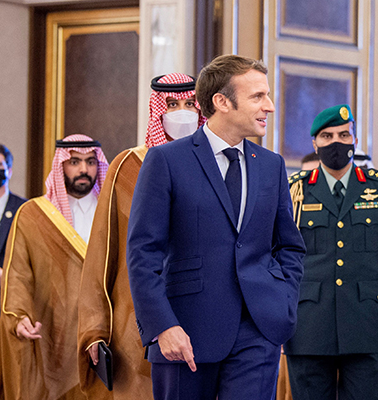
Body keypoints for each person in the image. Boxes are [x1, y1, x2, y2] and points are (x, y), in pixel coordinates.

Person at [126, 54, 305, 400]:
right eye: (257, 96)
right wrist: (163, 325)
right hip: (185, 330)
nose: (269, 106)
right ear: (221, 102)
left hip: (259, 329)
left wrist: (282, 302)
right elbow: (142, 252)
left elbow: (289, 245)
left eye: (267, 95)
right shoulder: (165, 160)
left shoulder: (272, 165)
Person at [77, 73, 205, 399]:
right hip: (135, 325)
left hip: (207, 318)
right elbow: (103, 251)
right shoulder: (128, 166)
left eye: (190, 103)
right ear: (156, 110)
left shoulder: (219, 165)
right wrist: (94, 329)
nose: (182, 112)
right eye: (172, 104)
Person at [284, 104, 378, 400]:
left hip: (368, 324)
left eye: (343, 134)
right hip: (308, 325)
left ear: (354, 139)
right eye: (326, 136)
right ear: (314, 144)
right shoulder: (293, 191)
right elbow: (279, 258)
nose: (336, 142)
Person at [0, 134, 108, 399]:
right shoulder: (34, 215)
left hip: (103, 333)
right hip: (51, 334)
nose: (84, 169)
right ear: (60, 165)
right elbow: (18, 275)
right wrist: (19, 317)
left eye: (91, 162)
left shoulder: (112, 210)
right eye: (75, 161)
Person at [0, 144, 26, 330]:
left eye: (0, 165)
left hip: (8, 303)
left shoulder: (24, 209)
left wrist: (5, 272)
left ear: (10, 170)